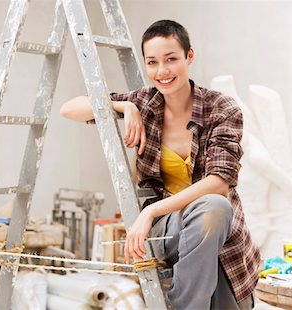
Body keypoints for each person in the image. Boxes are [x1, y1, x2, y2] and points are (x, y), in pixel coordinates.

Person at [60, 20, 260, 310]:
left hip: (217, 230)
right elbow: (70, 108)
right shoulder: (144, 103)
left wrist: (150, 211)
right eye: (152, 62)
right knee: (213, 210)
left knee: (215, 207)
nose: (162, 71)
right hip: (167, 229)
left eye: (171, 59)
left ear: (189, 57)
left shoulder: (221, 107)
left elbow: (220, 181)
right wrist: (122, 106)